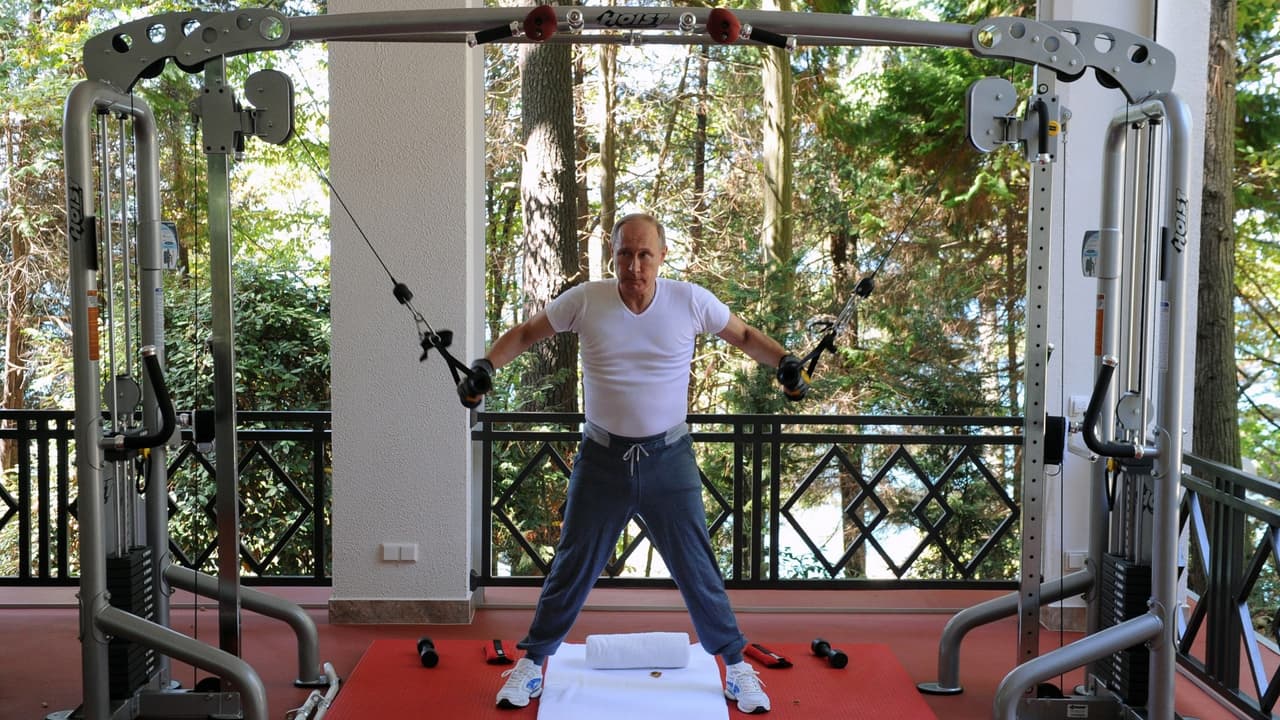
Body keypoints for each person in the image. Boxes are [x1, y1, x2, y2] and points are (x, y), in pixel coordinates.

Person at [457, 212, 808, 714]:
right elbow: (527, 332)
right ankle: (532, 662)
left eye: (645, 254)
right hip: (602, 460)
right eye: (625, 254)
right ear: (613, 256)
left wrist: (786, 363)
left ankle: (736, 667)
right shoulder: (587, 300)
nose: (635, 266)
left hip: (670, 460)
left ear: (662, 256)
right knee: (572, 565)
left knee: (697, 567)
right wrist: (485, 366)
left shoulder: (689, 300)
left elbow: (747, 335)